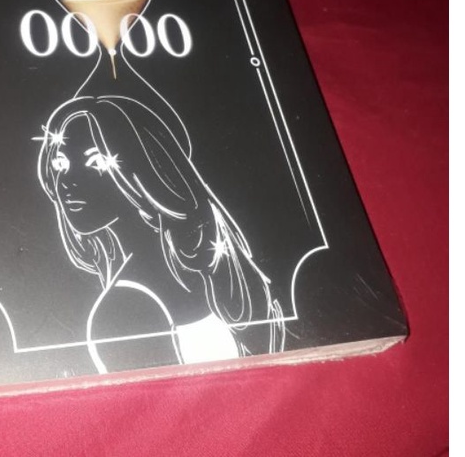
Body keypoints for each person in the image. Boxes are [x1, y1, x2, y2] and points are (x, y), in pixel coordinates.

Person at [37, 95, 284, 373]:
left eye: (95, 163)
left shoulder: (123, 308)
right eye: (60, 165)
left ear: (141, 168)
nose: (67, 181)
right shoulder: (214, 268)